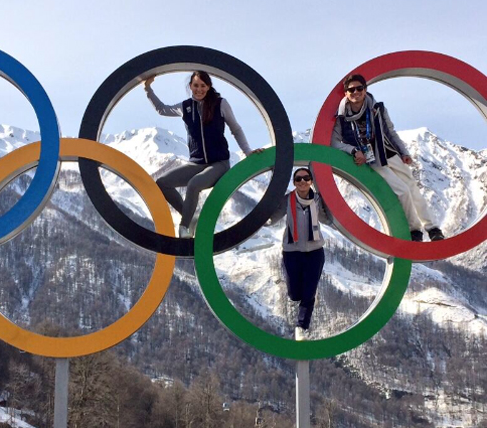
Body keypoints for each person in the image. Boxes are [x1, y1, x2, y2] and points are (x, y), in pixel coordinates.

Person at [144, 71, 262, 238]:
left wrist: (248, 151)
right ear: (190, 86)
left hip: (218, 164)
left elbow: (236, 129)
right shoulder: (185, 107)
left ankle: (184, 227)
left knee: (194, 185)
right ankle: (191, 218)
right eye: (196, 85)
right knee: (162, 183)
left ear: (208, 86)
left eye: (203, 86)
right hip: (196, 164)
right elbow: (162, 109)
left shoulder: (220, 104)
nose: (199, 89)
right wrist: (148, 89)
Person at [330, 74, 445, 242]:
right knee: (402, 191)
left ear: (365, 89)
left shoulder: (377, 108)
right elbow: (334, 142)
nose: (356, 92)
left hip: (390, 153)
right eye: (351, 89)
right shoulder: (341, 116)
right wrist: (354, 150)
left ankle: (433, 228)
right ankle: (414, 231)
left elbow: (390, 131)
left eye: (359, 88)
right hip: (372, 160)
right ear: (346, 93)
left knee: (412, 188)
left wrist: (404, 152)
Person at [269, 167, 331, 341]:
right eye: (298, 179)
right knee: (294, 294)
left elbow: (328, 219)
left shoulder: (318, 200)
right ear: (294, 182)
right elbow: (272, 218)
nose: (302, 181)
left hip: (315, 251)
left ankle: (301, 327)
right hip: (292, 251)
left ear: (311, 181)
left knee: (309, 292)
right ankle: (297, 303)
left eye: (306, 178)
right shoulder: (287, 200)